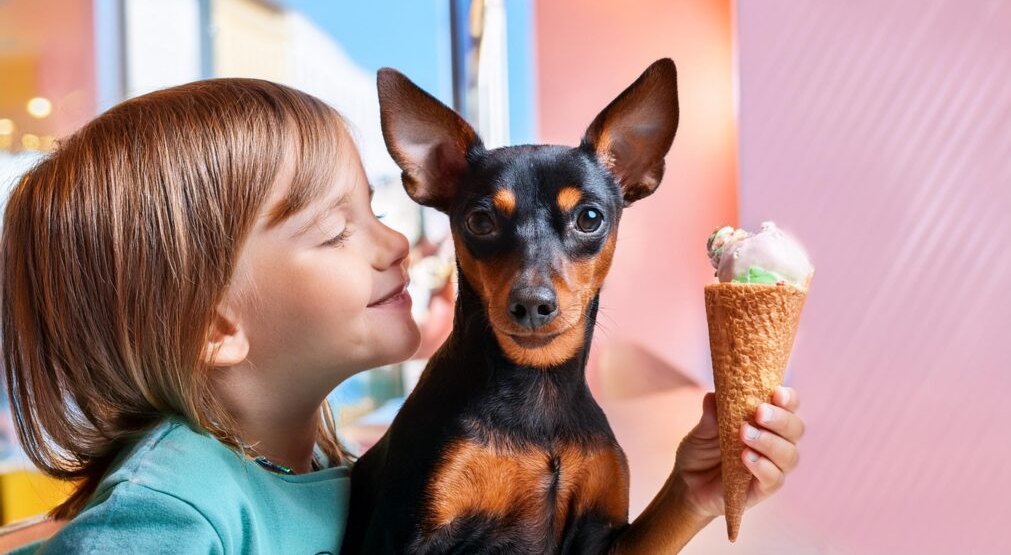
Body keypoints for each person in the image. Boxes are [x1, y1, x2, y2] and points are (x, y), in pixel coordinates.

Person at [0, 78, 805, 554]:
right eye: (336, 229)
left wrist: (692, 498)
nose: (396, 242)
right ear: (218, 327)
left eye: (377, 208)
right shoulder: (173, 502)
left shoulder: (326, 469)